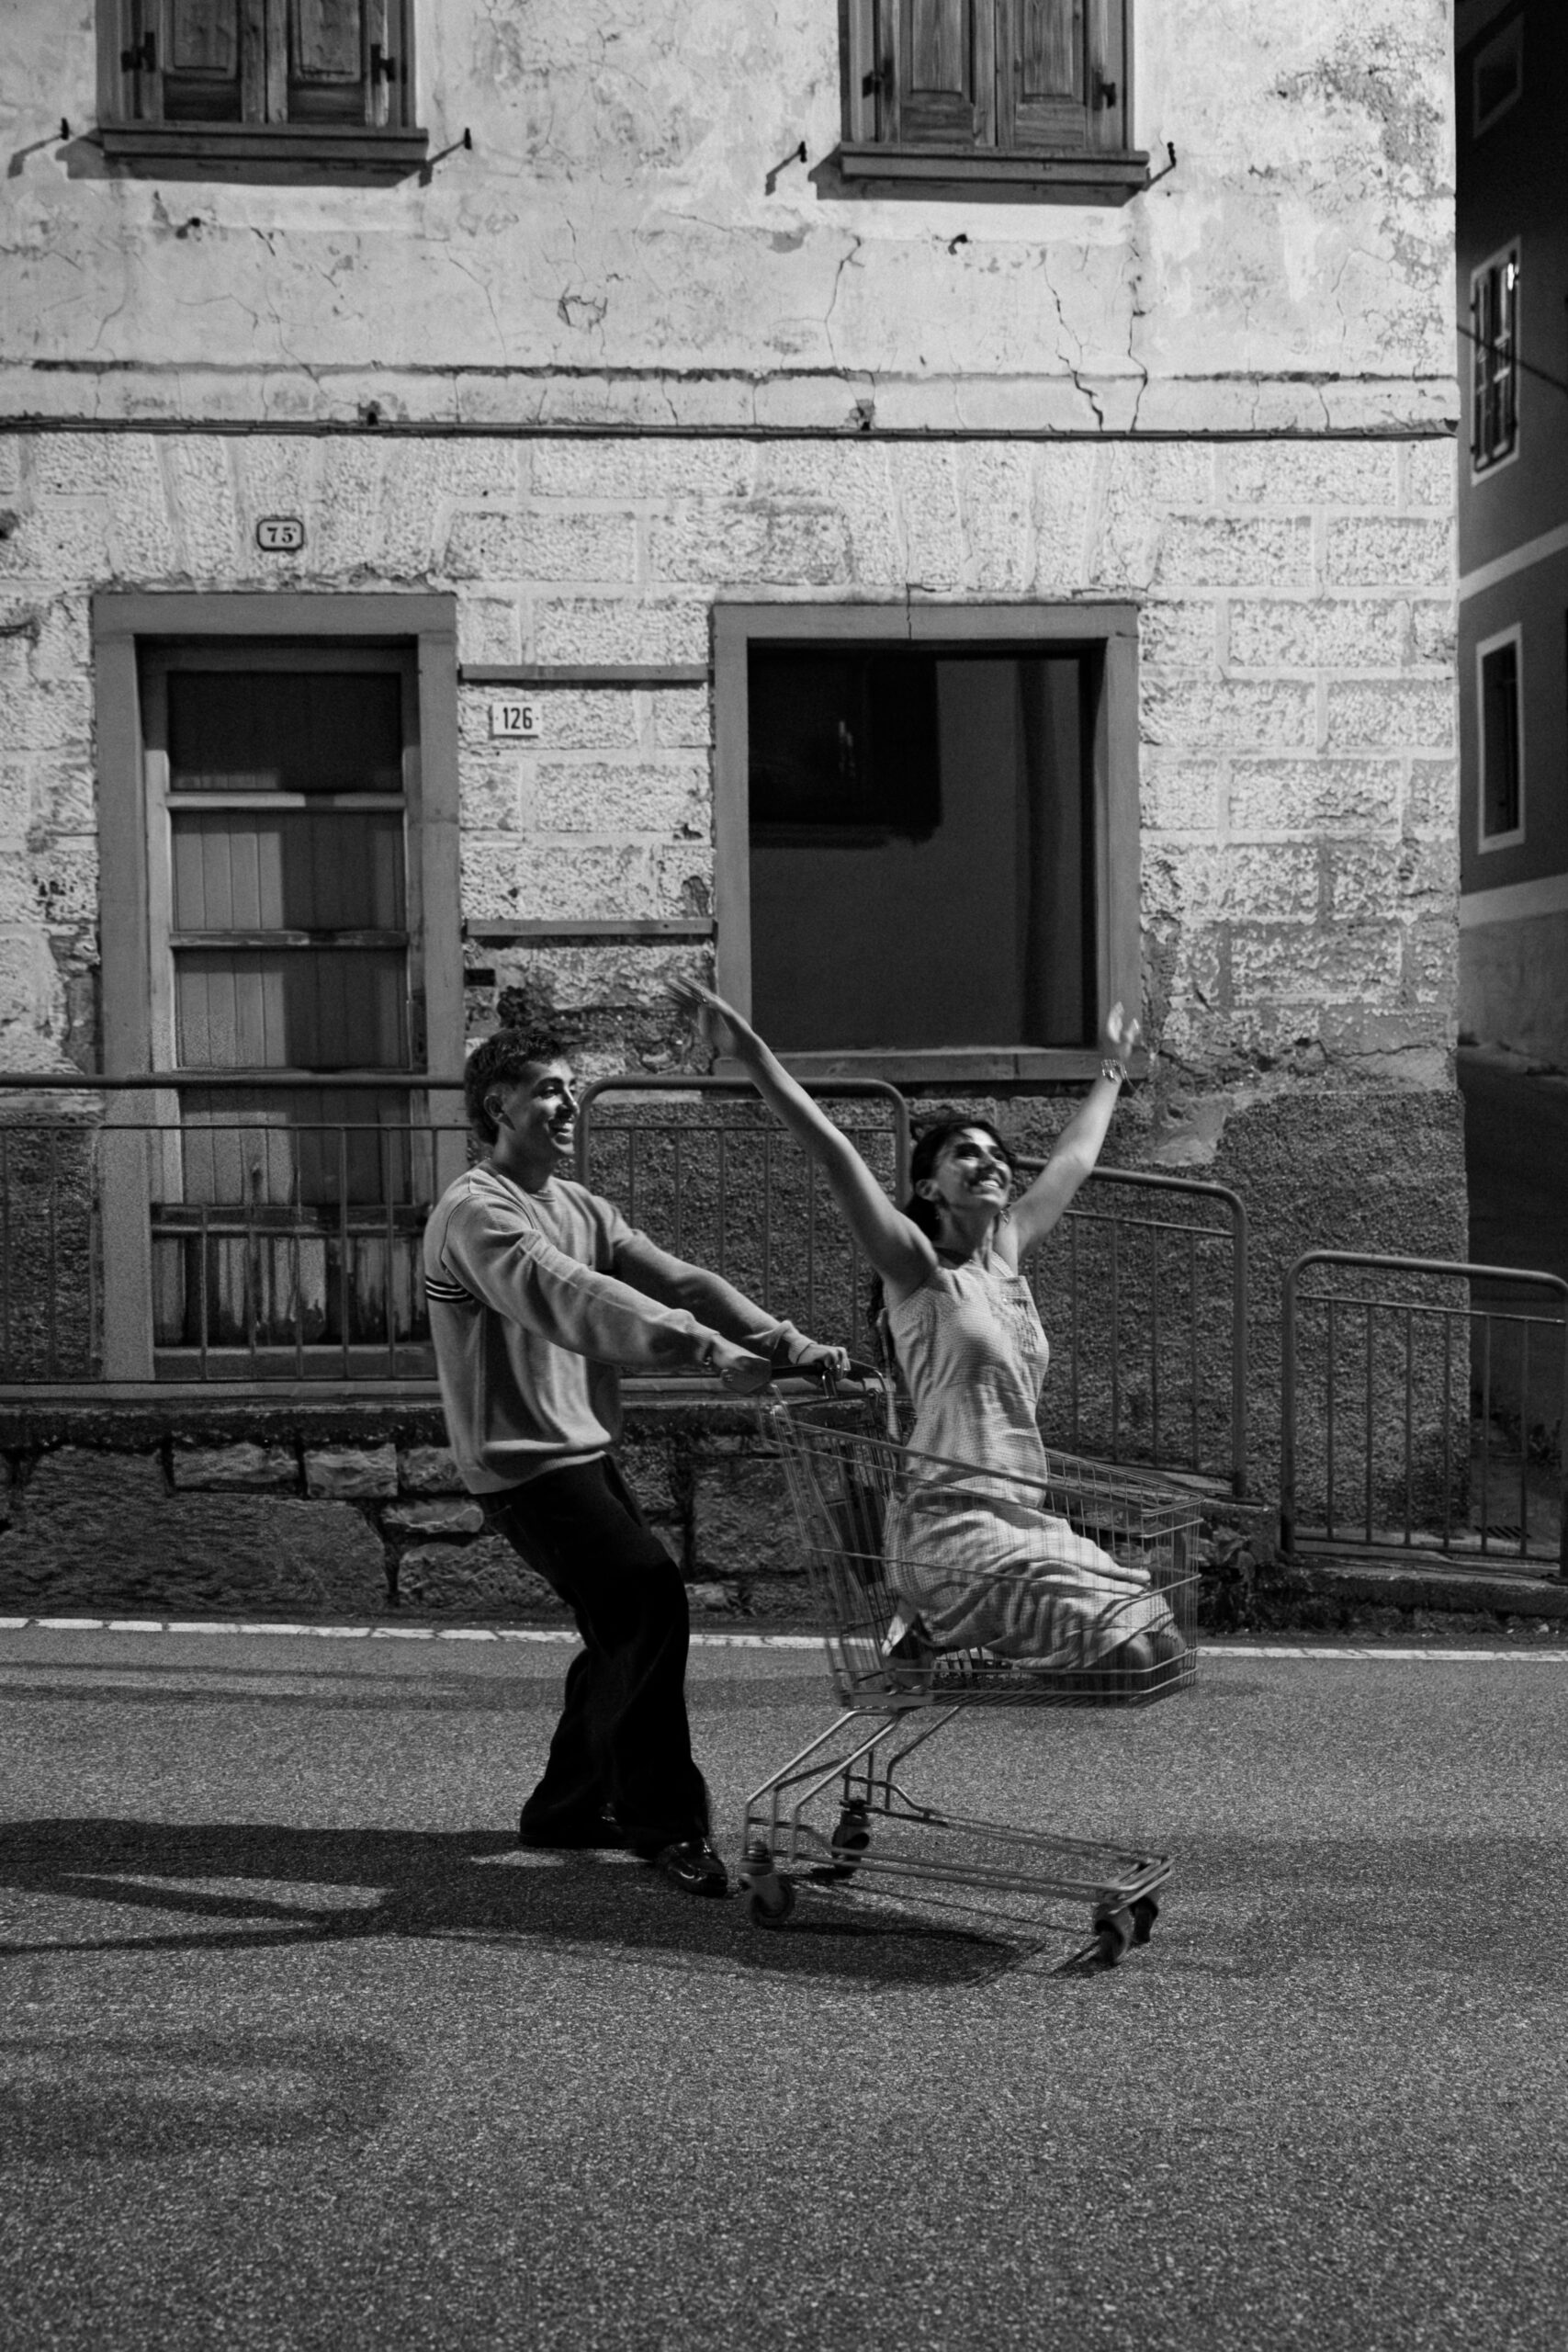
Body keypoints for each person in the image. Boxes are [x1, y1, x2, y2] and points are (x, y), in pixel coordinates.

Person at [423, 1025, 849, 1896]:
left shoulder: (581, 1206)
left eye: (573, 1086)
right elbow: (569, 1295)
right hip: (522, 1468)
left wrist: (786, 1341)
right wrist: (704, 1352)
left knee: (619, 1624)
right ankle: (664, 1825)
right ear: (496, 1107)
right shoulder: (476, 1212)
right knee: (648, 1600)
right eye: (547, 1088)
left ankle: (565, 1807)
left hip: (578, 1452)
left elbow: (680, 1279)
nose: (569, 1102)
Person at [671, 978, 1184, 1677]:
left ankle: (937, 1639)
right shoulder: (915, 1271)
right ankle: (943, 1633)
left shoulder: (1003, 1258)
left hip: (1021, 1520)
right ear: (928, 1189)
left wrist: (1113, 1065)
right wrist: (752, 1054)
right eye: (965, 1155)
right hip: (948, 1526)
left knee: (1160, 1643)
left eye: (996, 1154)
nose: (989, 1163)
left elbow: (1073, 1160)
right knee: (1120, 1656)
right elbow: (833, 1154)